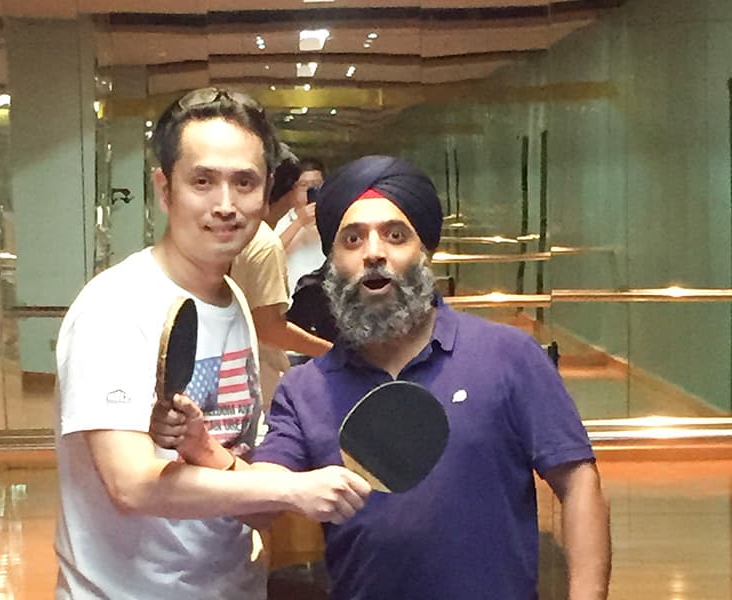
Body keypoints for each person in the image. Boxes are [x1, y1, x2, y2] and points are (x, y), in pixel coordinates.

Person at [153, 155, 611, 600]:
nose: (373, 253)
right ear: (332, 262)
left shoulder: (508, 355)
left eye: (395, 235)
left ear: (424, 252)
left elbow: (578, 483)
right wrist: (200, 445)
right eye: (352, 239)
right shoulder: (306, 389)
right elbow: (263, 503)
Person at [53, 88, 370, 600]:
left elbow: (228, 456)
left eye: (244, 182)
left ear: (266, 192)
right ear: (165, 189)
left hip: (231, 586)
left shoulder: (233, 299)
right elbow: (131, 483)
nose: (225, 205)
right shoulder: (114, 307)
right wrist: (291, 488)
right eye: (203, 181)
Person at [230, 144, 332, 409]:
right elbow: (270, 328)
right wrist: (332, 352)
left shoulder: (234, 231)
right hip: (255, 372)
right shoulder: (264, 242)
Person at [273, 157, 327, 296]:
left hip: (325, 295)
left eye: (316, 184)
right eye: (303, 185)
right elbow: (270, 254)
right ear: (293, 189)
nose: (310, 190)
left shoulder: (333, 217)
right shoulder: (281, 219)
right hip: (291, 296)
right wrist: (299, 222)